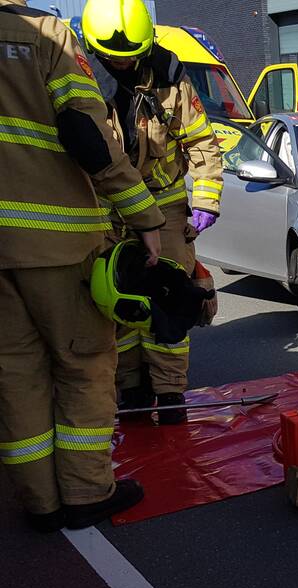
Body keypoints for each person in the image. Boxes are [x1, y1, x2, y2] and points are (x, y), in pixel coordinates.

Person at [0, 0, 164, 532]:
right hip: (55, 245)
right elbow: (85, 133)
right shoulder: (43, 34)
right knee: (84, 366)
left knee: (15, 374)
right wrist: (144, 216)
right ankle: (87, 493)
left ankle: (40, 501)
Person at [81, 0, 224, 424]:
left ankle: (171, 393)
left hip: (163, 206)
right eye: (112, 58)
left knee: (170, 302)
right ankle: (132, 391)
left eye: (131, 56)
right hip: (108, 210)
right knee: (118, 304)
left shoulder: (169, 77)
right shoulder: (79, 78)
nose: (122, 64)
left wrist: (206, 199)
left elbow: (202, 142)